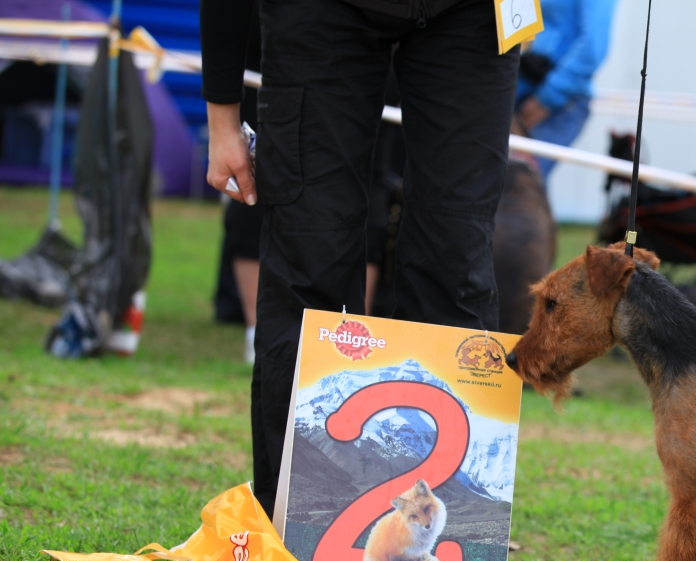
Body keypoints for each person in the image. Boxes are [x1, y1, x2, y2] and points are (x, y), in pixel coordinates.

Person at [201, 0, 519, 518]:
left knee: (456, 262)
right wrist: (222, 116)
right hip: (321, 13)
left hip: (471, 15)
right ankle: (292, 530)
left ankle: (455, 544)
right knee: (310, 259)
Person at [513, 0, 617, 179]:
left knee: (519, 187)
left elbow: (593, 48)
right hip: (525, 91)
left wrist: (548, 97)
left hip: (554, 103)